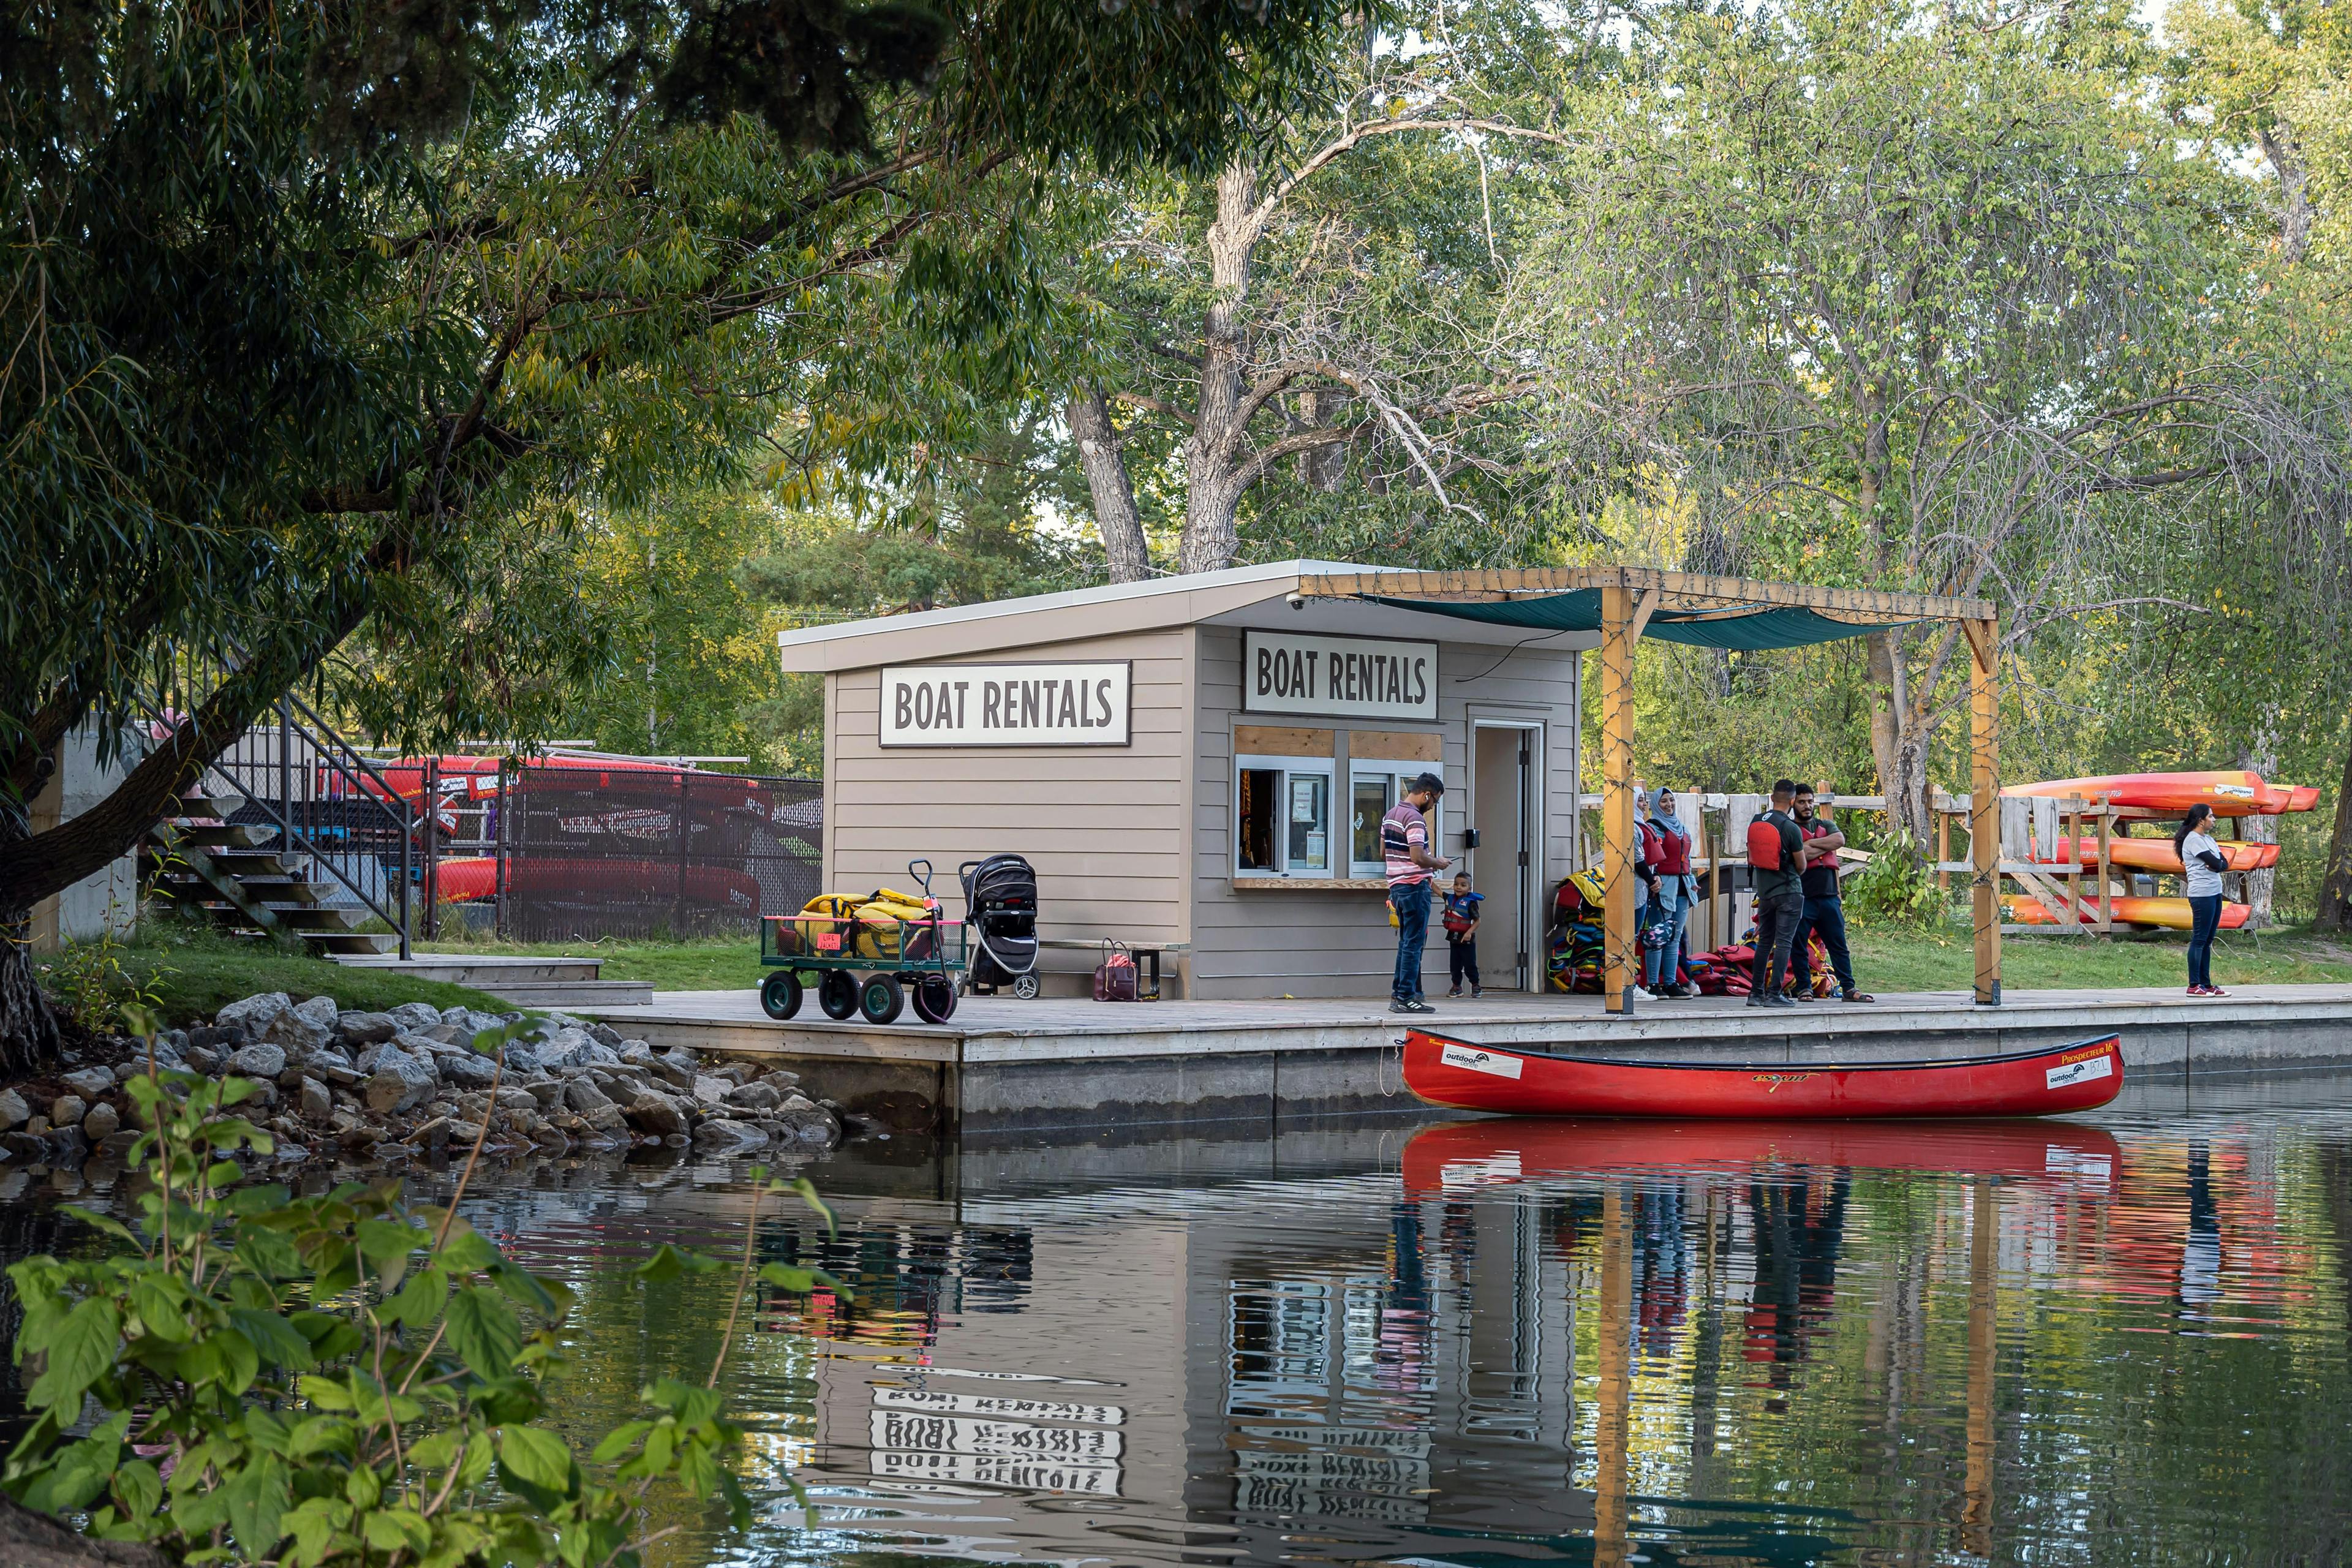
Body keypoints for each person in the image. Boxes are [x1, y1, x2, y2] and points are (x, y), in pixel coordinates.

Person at [1789, 786, 1875, 1003]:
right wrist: (1820, 848)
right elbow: (1803, 853)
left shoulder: (1825, 825)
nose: (1807, 806)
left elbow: (1839, 841)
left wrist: (1809, 844)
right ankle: (1804, 988)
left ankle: (1849, 988)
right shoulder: (1790, 829)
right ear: (1793, 803)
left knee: (1839, 945)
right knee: (1799, 945)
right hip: (1803, 897)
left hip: (1828, 897)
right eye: (1802, 802)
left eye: (1810, 801)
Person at [1384, 773, 1452, 1014]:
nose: (1433, 807)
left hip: (1397, 887)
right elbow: (1417, 857)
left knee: (1406, 943)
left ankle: (1403, 995)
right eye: (1434, 801)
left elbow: (1384, 853)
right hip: (1414, 887)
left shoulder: (1390, 815)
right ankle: (1405, 997)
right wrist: (1438, 862)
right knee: (1413, 945)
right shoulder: (1414, 818)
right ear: (1427, 795)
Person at [1746, 779, 1804, 1008]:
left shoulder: (1756, 821)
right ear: (1792, 801)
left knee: (1764, 943)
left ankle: (1755, 993)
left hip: (1765, 893)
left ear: (1771, 798)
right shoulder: (1790, 828)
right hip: (1789, 892)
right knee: (1784, 943)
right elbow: (1801, 865)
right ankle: (1775, 994)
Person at [1639, 787, 1697, 999]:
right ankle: (1653, 984)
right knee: (1657, 935)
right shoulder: (1653, 828)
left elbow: (1687, 859)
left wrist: (1692, 882)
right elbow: (1649, 858)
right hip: (1662, 888)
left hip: (1683, 887)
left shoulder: (1681, 827)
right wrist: (1653, 882)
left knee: (1674, 937)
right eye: (1664, 801)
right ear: (1656, 804)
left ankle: (1671, 983)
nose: (1669, 805)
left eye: (1671, 800)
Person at [2177, 804, 2230, 997]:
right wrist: (2218, 865)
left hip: (2215, 892)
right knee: (2199, 939)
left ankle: (2206, 984)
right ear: (2201, 820)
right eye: (2211, 816)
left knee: (2208, 940)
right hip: (2202, 894)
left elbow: (2224, 863)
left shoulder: (2208, 839)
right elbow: (2217, 863)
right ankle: (2194, 985)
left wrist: (2219, 865)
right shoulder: (2193, 840)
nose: (2214, 819)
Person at [1443, 871, 1484, 998]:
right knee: (1455, 964)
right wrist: (1428, 876)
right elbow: (1438, 891)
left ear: (1469, 888)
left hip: (1467, 939)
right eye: (1456, 884)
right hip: (1453, 937)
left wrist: (1469, 933)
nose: (1458, 887)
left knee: (1469, 963)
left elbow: (1478, 921)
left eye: (1463, 885)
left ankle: (1476, 985)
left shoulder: (1470, 903)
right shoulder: (1450, 899)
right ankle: (1457, 986)